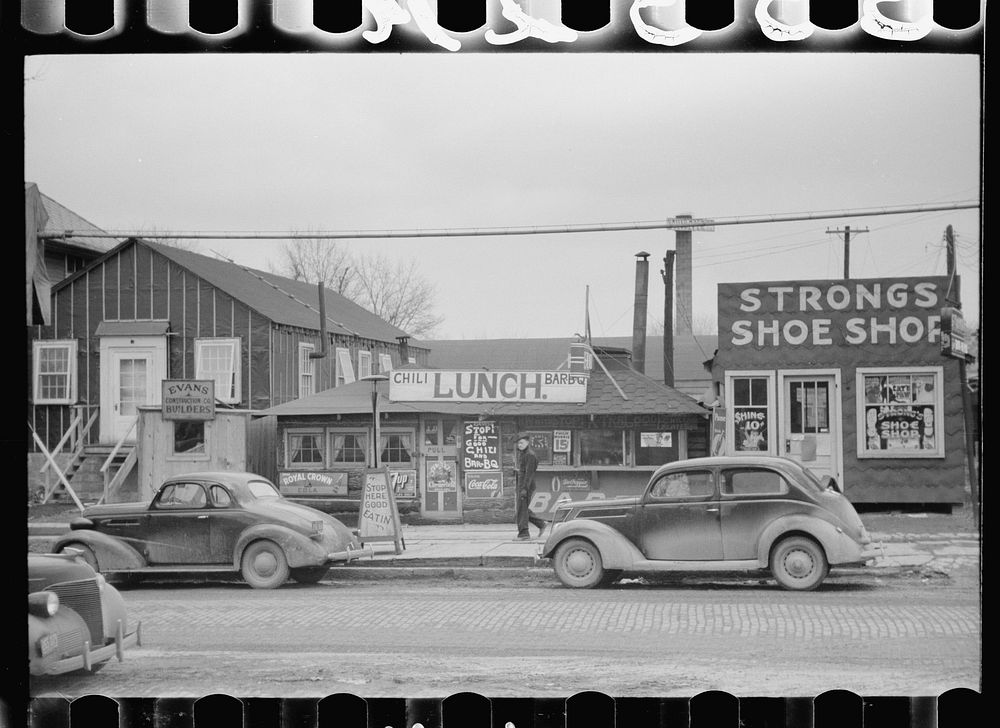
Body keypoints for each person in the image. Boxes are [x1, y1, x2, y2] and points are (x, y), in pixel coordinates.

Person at [514, 432, 547, 540]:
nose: (519, 445)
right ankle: (541, 524)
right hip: (522, 485)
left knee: (522, 509)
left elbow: (529, 474)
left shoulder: (530, 455)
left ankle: (524, 534)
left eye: (522, 442)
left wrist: (524, 489)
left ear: (528, 442)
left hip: (526, 486)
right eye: (518, 443)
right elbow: (524, 471)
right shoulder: (524, 454)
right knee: (522, 509)